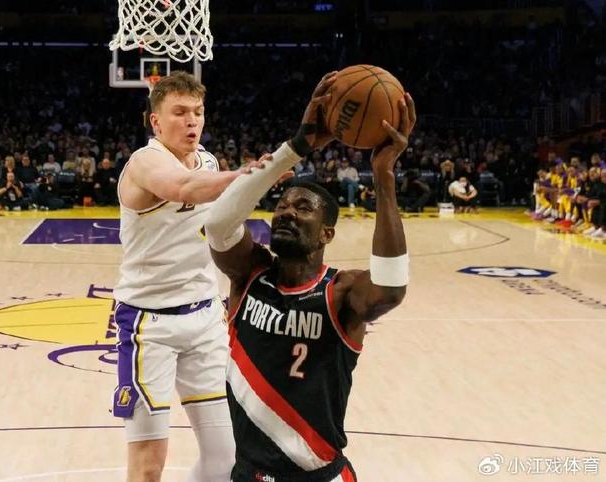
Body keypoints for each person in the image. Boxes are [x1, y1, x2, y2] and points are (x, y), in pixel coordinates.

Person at [205, 75, 413, 481]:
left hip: (319, 473)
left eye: (303, 208)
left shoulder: (341, 292)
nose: (287, 212)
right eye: (282, 206)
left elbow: (390, 288)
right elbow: (217, 224)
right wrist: (295, 147)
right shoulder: (249, 274)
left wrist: (383, 177)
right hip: (250, 474)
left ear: (326, 234)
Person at [112, 71, 271, 482]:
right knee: (148, 466)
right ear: (156, 121)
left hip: (204, 320)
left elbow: (217, 217)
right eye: (180, 112)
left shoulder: (208, 162)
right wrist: (247, 176)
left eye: (198, 112)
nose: (192, 121)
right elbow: (182, 187)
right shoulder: (144, 162)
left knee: (228, 458)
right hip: (149, 324)